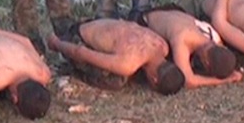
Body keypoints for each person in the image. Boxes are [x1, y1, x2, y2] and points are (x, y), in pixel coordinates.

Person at [47, 19, 185, 95]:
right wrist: (57, 44)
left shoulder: (162, 46)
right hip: (76, 37)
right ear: (154, 80)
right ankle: (74, 70)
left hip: (97, 23)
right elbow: (80, 53)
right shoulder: (128, 64)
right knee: (117, 81)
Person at [140, 5, 242, 88]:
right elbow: (188, 81)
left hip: (171, 11)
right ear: (206, 63)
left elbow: (222, 55)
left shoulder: (211, 36)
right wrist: (224, 80)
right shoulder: (182, 41)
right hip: (146, 22)